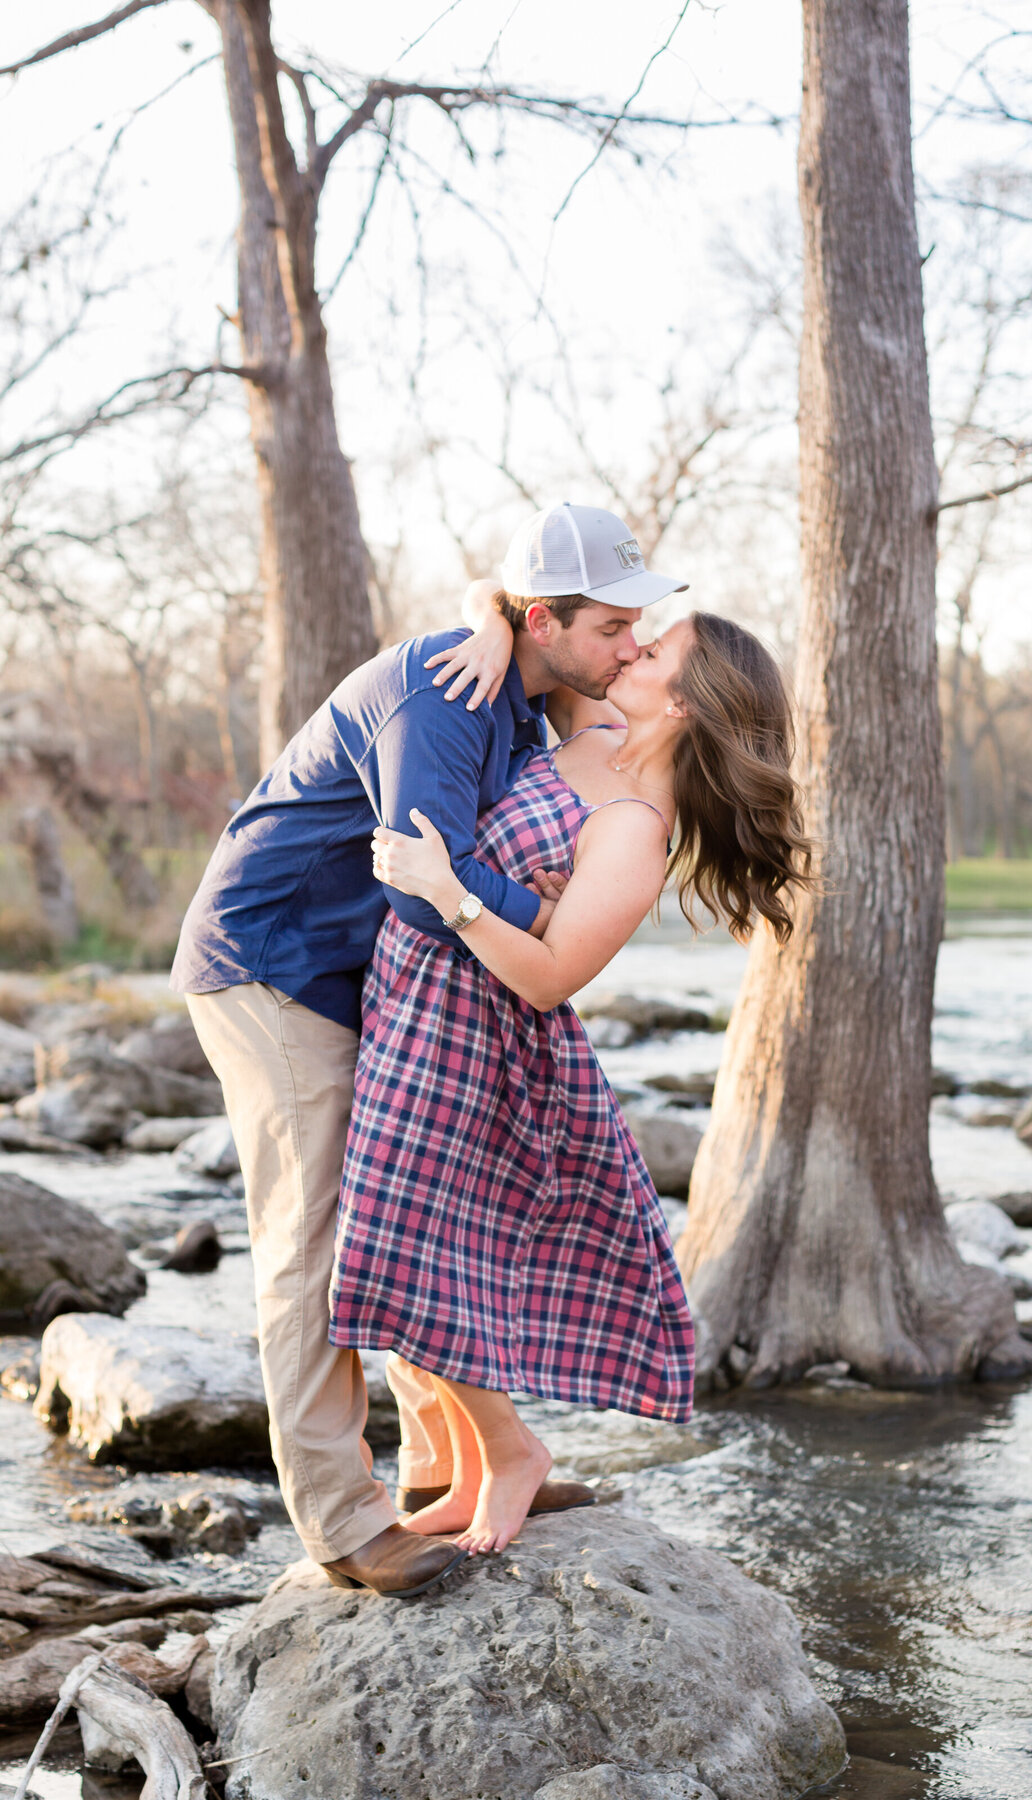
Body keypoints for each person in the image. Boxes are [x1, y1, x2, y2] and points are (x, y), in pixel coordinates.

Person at [170, 502, 688, 1597]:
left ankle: (439, 1467)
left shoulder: (523, 681)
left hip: (354, 980)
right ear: (543, 619)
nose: (631, 649)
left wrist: (488, 618)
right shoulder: (448, 697)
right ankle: (343, 1523)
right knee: (314, 1244)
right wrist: (548, 916)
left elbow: (476, 856)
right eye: (611, 629)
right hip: (275, 964)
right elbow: (421, 885)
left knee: (394, 1212)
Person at [331, 590, 813, 1557]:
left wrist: (453, 896)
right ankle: (468, 1473)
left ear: (681, 706)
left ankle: (513, 1455)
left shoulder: (637, 828)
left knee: (400, 1252)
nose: (626, 652)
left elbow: (551, 980)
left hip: (476, 1039)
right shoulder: (589, 724)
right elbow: (533, 613)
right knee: (418, 1253)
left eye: (652, 655)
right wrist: (484, 622)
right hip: (411, 1004)